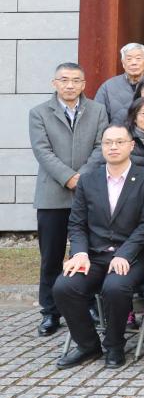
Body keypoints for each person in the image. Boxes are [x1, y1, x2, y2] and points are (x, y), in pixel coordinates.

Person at [52, 123, 144, 369]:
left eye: (119, 142)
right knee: (64, 287)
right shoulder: (88, 180)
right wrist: (79, 253)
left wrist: (125, 254)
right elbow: (77, 223)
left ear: (131, 146)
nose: (113, 147)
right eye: (108, 142)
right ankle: (88, 345)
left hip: (134, 255)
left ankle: (114, 345)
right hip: (94, 254)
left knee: (115, 287)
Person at [29, 62, 108, 337]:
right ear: (55, 83)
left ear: (84, 84)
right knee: (51, 256)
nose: (70, 85)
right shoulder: (39, 112)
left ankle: (88, 304)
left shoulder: (97, 110)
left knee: (87, 253)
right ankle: (50, 311)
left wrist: (81, 177)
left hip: (88, 193)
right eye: (64, 80)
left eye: (76, 80)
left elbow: (101, 147)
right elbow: (42, 151)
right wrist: (68, 177)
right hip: (52, 194)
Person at [95, 43, 144, 125]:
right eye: (129, 59)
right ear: (123, 63)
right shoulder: (108, 86)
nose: (134, 62)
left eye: (138, 58)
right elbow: (98, 118)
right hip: (116, 133)